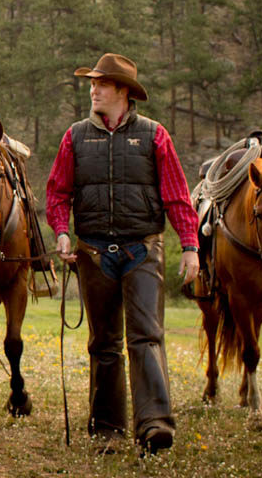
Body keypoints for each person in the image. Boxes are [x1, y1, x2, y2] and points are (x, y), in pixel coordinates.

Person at [45, 53, 199, 454]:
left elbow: (177, 196)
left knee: (146, 337)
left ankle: (154, 424)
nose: (93, 89)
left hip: (143, 249)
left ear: (124, 92)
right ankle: (107, 430)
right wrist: (62, 232)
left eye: (102, 83)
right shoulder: (75, 136)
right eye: (93, 83)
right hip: (93, 252)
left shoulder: (154, 135)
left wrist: (189, 246)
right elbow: (58, 193)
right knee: (104, 342)